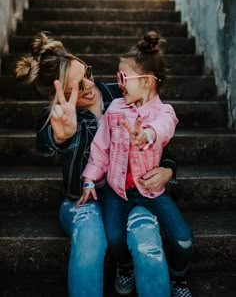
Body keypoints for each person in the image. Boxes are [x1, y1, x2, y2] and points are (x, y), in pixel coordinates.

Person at [14, 31, 176, 297]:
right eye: (75, 87)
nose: (89, 86)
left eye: (87, 74)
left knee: (146, 235)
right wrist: (59, 136)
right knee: (90, 238)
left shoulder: (121, 93)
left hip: (130, 195)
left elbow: (162, 141)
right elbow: (44, 144)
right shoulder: (57, 116)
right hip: (82, 201)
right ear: (60, 94)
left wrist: (168, 171)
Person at [80, 31, 193, 297]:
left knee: (183, 239)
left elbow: (163, 129)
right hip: (118, 191)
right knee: (115, 239)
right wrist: (88, 178)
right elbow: (101, 148)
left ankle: (179, 277)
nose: (119, 83)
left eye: (123, 77)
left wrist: (147, 135)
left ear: (146, 81)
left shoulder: (164, 112)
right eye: (118, 77)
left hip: (151, 191)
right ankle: (125, 266)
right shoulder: (116, 109)